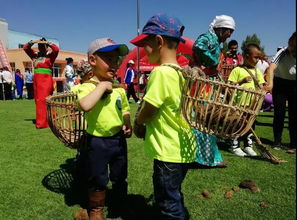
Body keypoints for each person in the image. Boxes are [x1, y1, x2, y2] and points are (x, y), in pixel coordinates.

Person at [131, 13, 196, 220]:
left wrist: (138, 122)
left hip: (167, 151)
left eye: (145, 44)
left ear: (158, 41)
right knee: (173, 193)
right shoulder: (180, 73)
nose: (143, 50)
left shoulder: (161, 73)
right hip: (183, 148)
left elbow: (150, 108)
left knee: (167, 203)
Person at [74, 38, 131, 220]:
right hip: (97, 142)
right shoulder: (86, 87)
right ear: (92, 61)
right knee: (97, 177)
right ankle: (96, 209)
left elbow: (125, 108)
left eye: (116, 60)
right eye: (109, 59)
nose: (114, 64)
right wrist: (101, 87)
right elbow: (85, 104)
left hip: (118, 139)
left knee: (120, 174)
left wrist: (127, 122)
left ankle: (120, 204)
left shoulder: (119, 90)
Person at [192, 15, 236, 167]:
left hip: (209, 85)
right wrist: (213, 61)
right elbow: (198, 46)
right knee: (202, 120)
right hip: (202, 85)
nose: (230, 35)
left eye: (231, 31)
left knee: (208, 122)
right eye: (228, 31)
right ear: (219, 28)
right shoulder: (208, 37)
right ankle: (203, 158)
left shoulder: (216, 41)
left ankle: (212, 157)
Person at [228, 43, 266, 157]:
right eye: (256, 57)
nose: (257, 60)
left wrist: (264, 89)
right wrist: (241, 82)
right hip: (239, 104)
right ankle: (234, 145)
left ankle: (248, 145)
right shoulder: (237, 70)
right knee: (237, 124)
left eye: (259, 57)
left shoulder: (257, 71)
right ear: (246, 56)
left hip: (252, 105)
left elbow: (261, 85)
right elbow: (230, 85)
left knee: (250, 125)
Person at [266, 32, 296, 150]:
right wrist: (271, 84)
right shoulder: (282, 52)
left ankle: (294, 144)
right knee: (279, 113)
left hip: (294, 85)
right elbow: (271, 68)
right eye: (292, 46)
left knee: (294, 115)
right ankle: (277, 141)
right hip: (280, 84)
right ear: (290, 43)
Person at [23, 37, 59, 128]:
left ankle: (42, 123)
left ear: (46, 46)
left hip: (45, 80)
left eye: (42, 45)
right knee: (38, 100)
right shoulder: (35, 55)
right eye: (39, 45)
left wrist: (48, 42)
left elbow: (56, 49)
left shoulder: (50, 55)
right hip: (36, 80)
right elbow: (25, 48)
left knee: (42, 100)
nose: (40, 47)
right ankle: (50, 118)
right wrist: (32, 42)